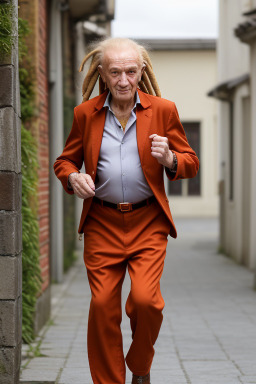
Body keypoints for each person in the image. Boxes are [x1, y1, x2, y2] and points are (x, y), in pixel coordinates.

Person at [54, 37, 199, 384]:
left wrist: (171, 159)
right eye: (115, 72)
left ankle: (140, 366)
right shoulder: (85, 114)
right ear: (102, 74)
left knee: (146, 302)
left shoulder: (163, 111)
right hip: (102, 223)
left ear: (141, 72)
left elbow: (191, 162)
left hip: (148, 221)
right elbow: (65, 160)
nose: (123, 80)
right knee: (103, 305)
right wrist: (73, 177)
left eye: (130, 72)